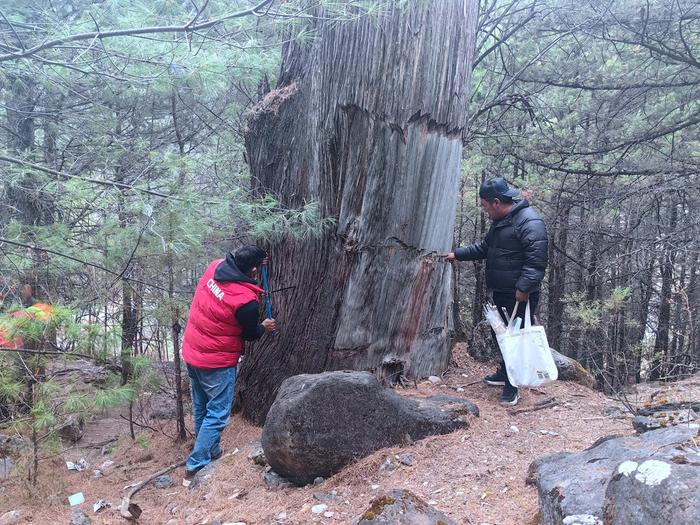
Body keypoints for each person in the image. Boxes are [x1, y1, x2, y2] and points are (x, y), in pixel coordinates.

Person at [444, 177, 548, 406]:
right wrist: (457, 254)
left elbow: (536, 262)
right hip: (502, 291)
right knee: (501, 336)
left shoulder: (529, 222)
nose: (485, 210)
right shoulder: (502, 222)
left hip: (519, 294)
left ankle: (513, 386)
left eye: (485, 206)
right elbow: (485, 247)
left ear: (497, 202)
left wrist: (523, 289)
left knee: (516, 338)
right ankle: (504, 372)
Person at [182, 245, 277, 477]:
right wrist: (263, 327)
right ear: (253, 270)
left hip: (193, 353)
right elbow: (249, 334)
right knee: (217, 413)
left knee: (202, 406)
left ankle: (210, 449)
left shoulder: (214, 267)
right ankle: (196, 464)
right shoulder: (246, 301)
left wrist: (253, 267)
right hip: (217, 362)